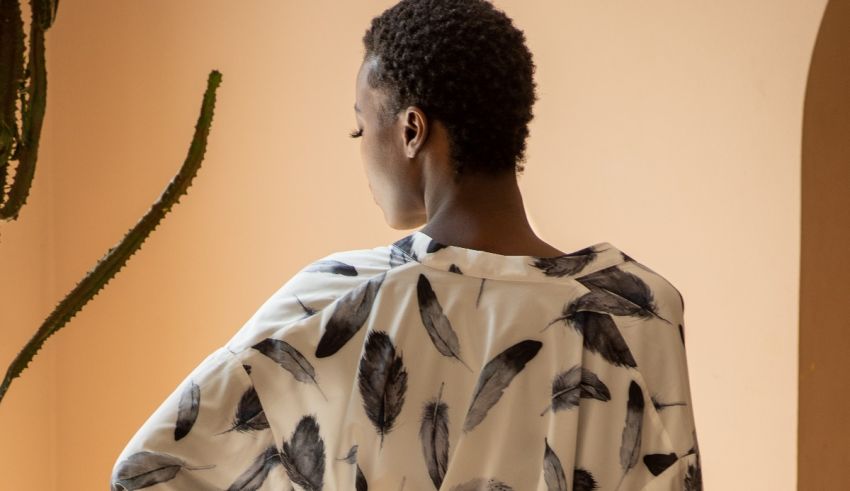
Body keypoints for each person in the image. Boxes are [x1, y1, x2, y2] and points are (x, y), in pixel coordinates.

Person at [111, 0, 703, 489]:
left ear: (411, 130)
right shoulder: (637, 309)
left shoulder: (336, 302)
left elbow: (148, 472)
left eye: (360, 126)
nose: (361, 149)